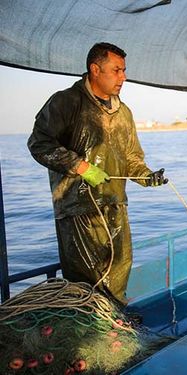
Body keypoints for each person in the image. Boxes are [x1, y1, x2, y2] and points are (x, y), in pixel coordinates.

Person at [27, 42, 167, 306]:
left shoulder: (123, 112)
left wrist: (147, 176)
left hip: (115, 205)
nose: (123, 77)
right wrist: (81, 167)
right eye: (116, 70)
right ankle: (90, 331)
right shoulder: (66, 102)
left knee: (119, 270)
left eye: (124, 71)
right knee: (85, 282)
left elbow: (132, 159)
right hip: (78, 209)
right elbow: (38, 143)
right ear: (95, 69)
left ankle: (114, 326)